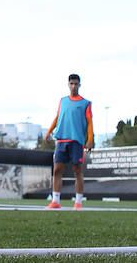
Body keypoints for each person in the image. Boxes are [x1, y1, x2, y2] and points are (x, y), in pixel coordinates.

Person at [45, 73, 93, 210]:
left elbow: (90, 123)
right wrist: (49, 131)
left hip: (76, 140)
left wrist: (90, 140)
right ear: (68, 85)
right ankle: (55, 201)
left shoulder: (85, 103)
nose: (73, 86)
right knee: (57, 171)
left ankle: (78, 202)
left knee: (77, 171)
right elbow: (58, 117)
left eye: (76, 84)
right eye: (71, 84)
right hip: (61, 140)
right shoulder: (63, 101)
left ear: (79, 85)